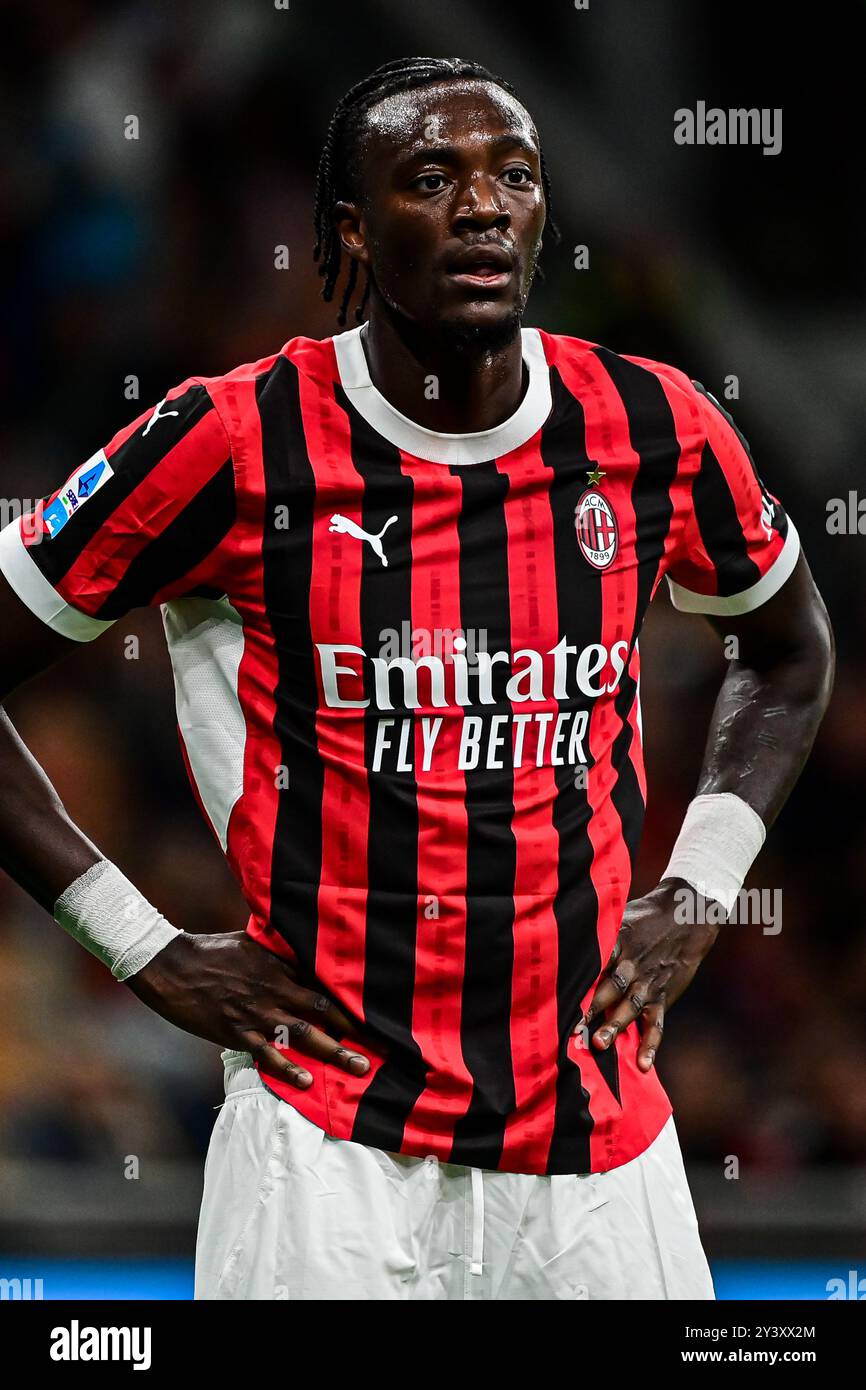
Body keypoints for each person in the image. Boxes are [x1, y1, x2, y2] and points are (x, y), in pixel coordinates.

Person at [0, 56, 834, 1300]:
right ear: (349, 225)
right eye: (432, 177)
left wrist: (703, 883)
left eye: (513, 175)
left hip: (594, 1147)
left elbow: (787, 648)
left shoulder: (651, 428)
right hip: (324, 1146)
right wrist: (143, 945)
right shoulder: (227, 441)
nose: (484, 206)